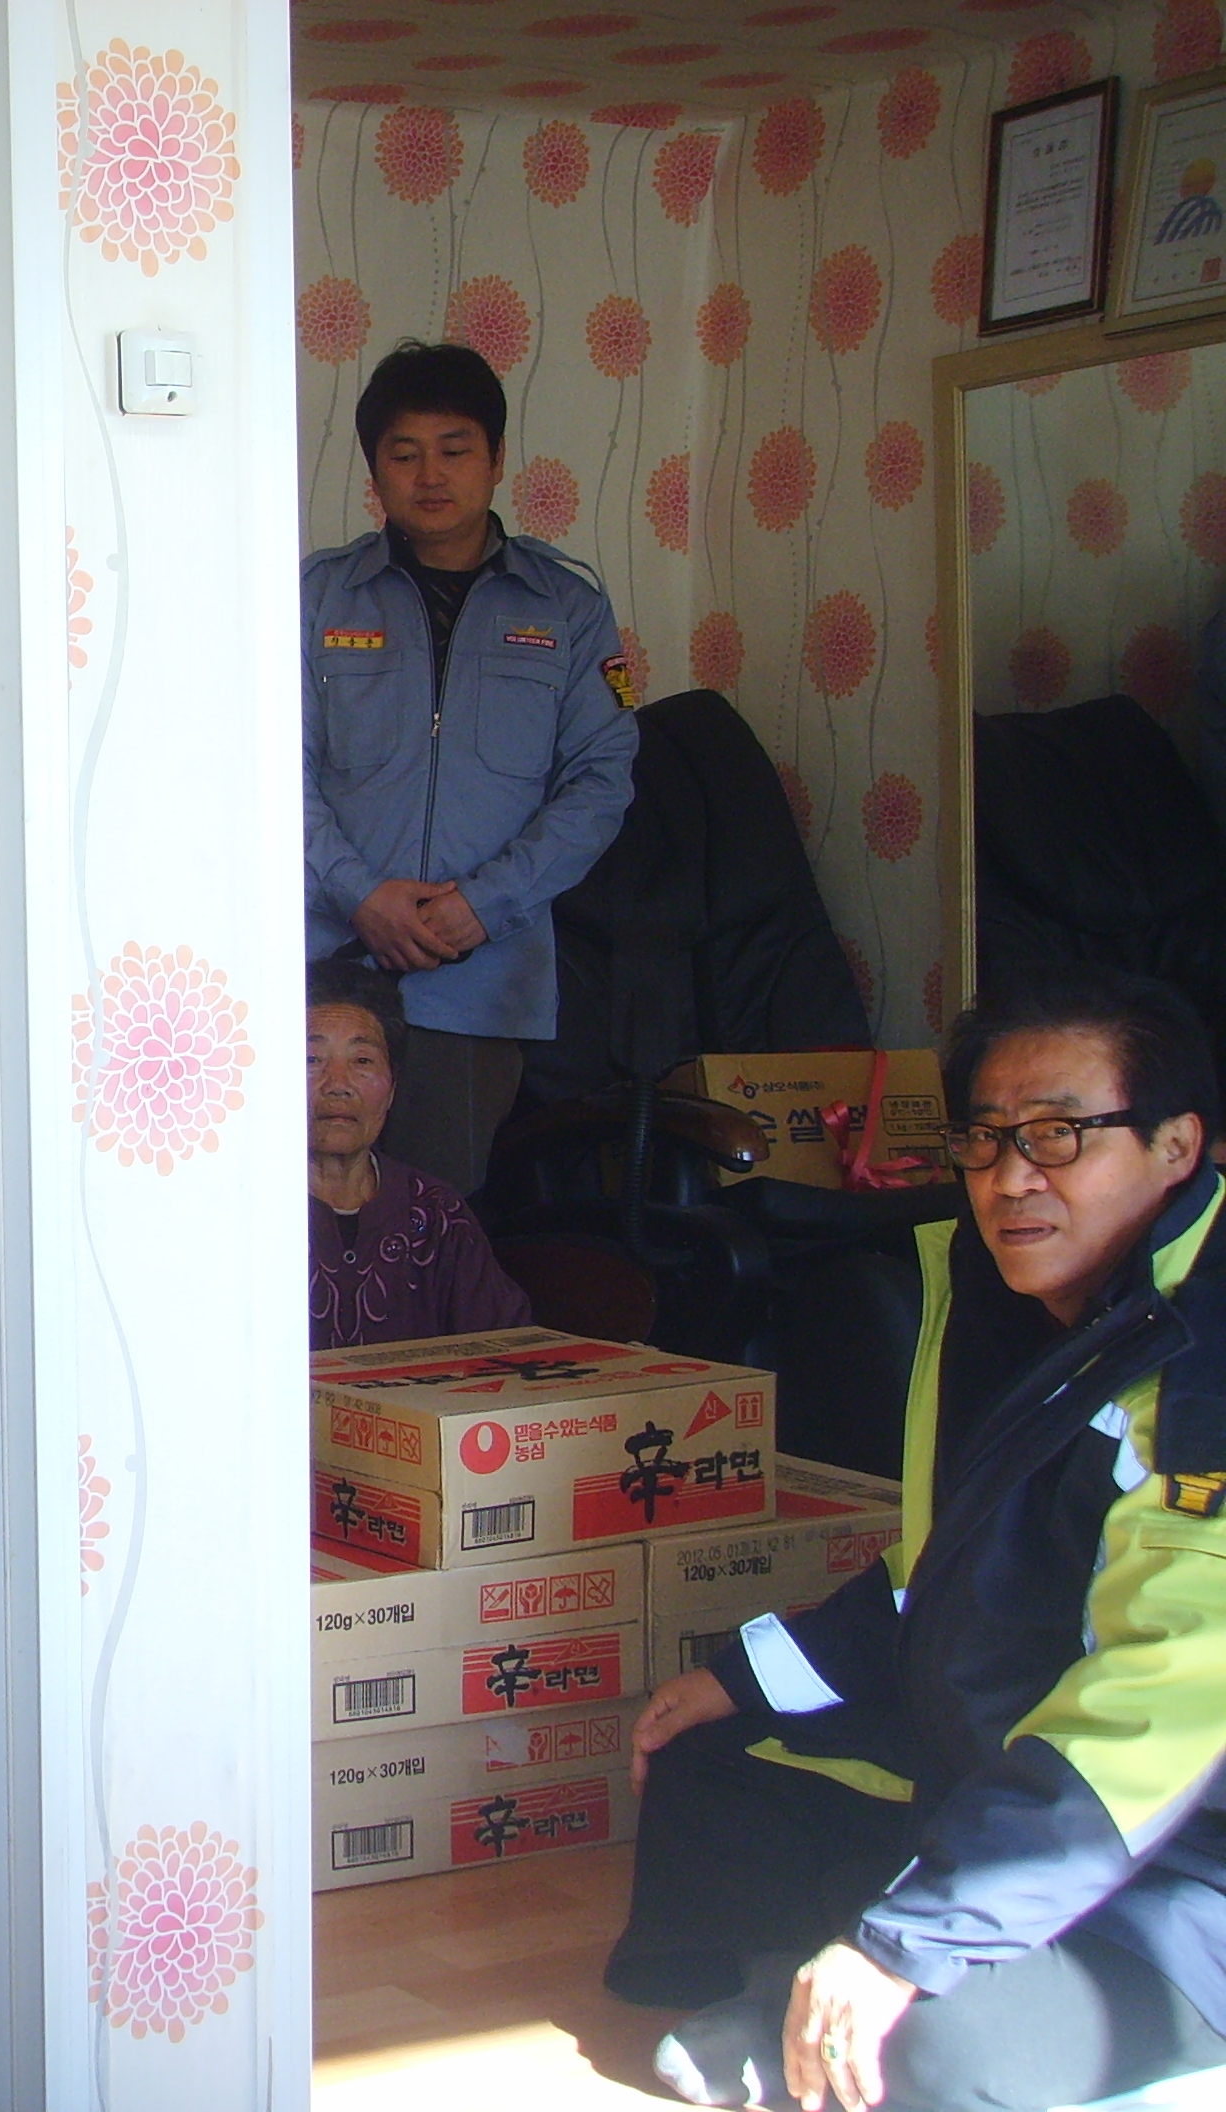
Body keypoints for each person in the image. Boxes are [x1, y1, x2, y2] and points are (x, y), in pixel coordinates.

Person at [610, 966, 1226, 2112]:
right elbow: (953, 1565)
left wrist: (909, 1943)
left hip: (1176, 1840)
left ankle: (873, 1999)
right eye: (983, 1139)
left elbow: (1160, 1708)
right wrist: (747, 1677)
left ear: (1175, 1145)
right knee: (714, 1755)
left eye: (1056, 1136)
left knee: (942, 2057)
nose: (1008, 1178)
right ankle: (820, 1993)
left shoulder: (1203, 1370)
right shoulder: (1026, 1298)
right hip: (1010, 1753)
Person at [304, 339, 639, 1197]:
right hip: (324, 968)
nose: (430, 476)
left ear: (496, 459)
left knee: (434, 1223)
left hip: (478, 983)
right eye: (404, 454)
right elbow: (268, 767)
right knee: (293, 1226)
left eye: (454, 450)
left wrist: (484, 905)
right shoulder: (316, 597)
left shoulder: (568, 607)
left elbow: (601, 781)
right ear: (373, 469)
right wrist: (358, 893)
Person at [306, 957, 530, 1349]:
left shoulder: (436, 1213)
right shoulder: (232, 1212)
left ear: (392, 1087)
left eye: (362, 1061)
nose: (338, 1084)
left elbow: (510, 1348)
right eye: (311, 1060)